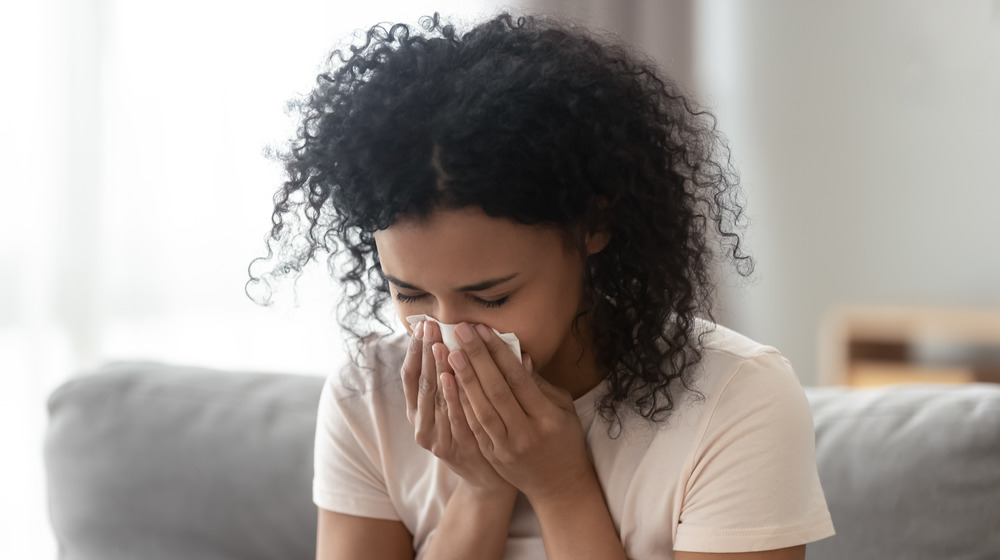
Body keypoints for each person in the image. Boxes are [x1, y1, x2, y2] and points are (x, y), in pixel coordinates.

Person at [249, 12, 835, 560]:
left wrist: (561, 488)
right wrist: (480, 492)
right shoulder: (368, 397)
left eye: (492, 296)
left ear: (594, 226)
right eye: (410, 295)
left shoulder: (735, 400)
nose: (450, 334)